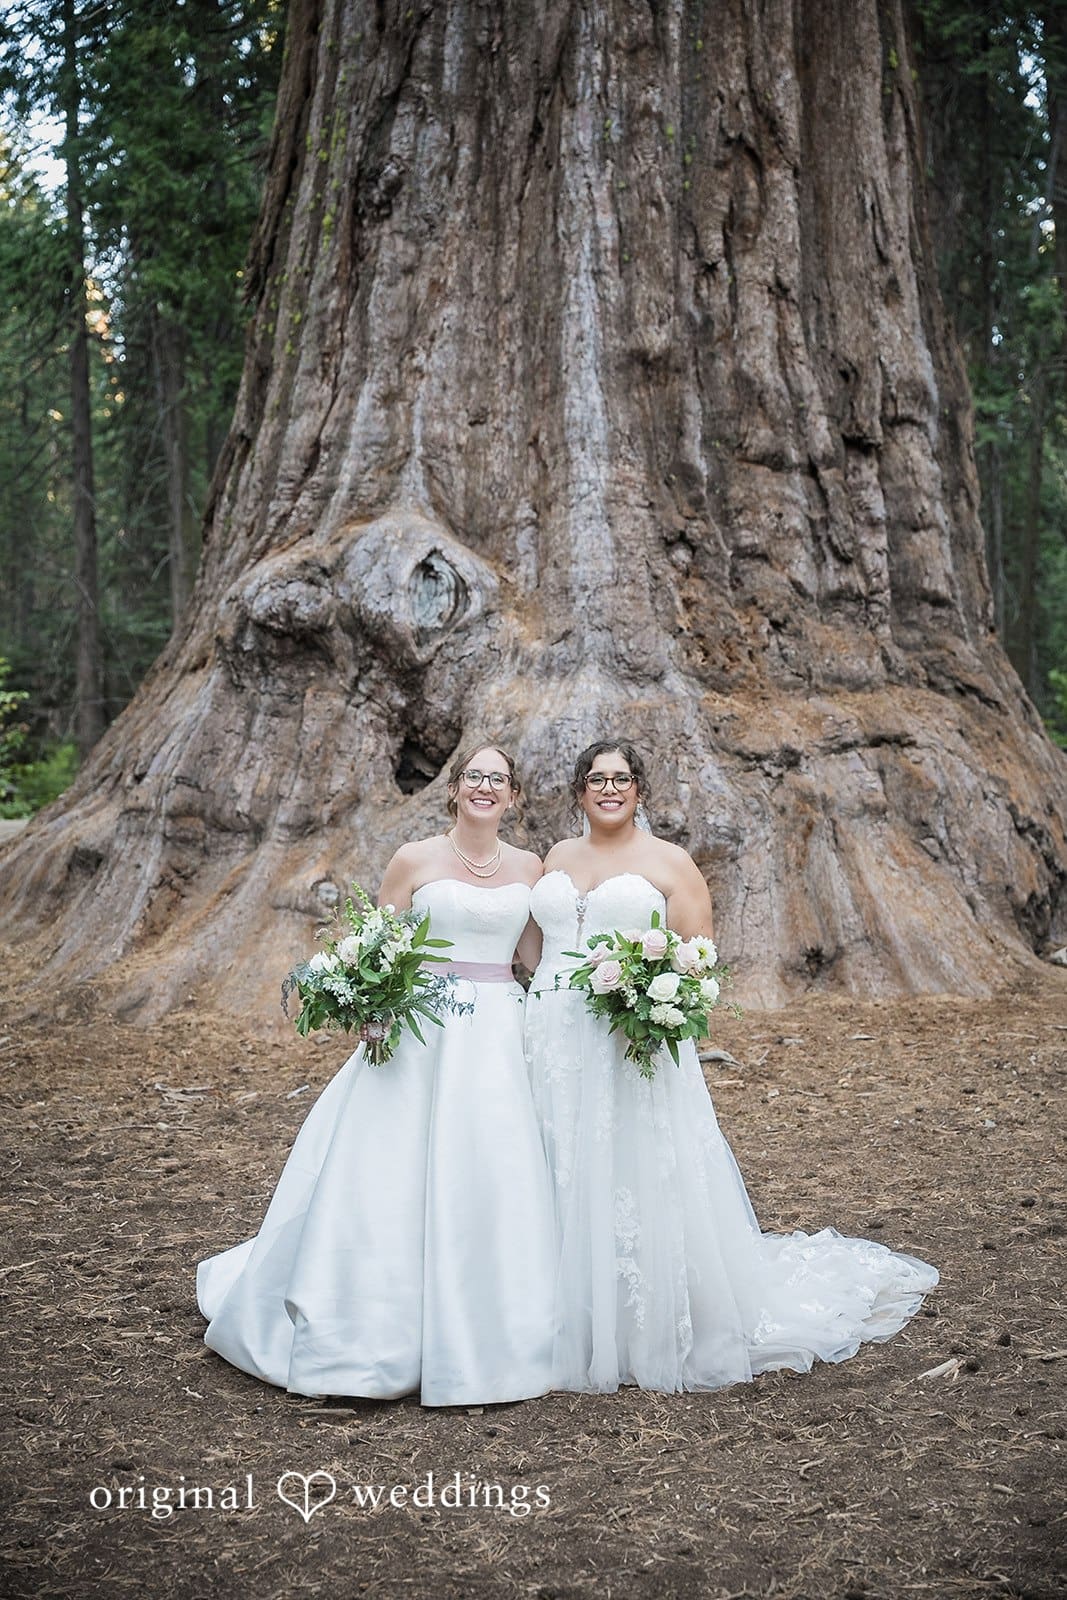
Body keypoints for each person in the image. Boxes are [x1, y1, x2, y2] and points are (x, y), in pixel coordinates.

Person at [524, 738, 939, 1394]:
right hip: (551, 1036)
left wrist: (643, 998)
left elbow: (695, 961)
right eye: (596, 779)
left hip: (627, 1036)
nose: (609, 788)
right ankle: (561, 1307)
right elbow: (535, 945)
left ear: (639, 790)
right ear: (579, 791)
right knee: (558, 1158)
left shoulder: (669, 862)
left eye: (622, 778)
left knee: (630, 1160)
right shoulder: (555, 858)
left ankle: (642, 1321)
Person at [196, 742, 557, 1406]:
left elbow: (534, 957)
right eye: (473, 776)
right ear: (453, 790)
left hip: (499, 1038)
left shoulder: (531, 867)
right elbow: (377, 948)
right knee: (390, 1171)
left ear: (512, 798)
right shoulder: (414, 859)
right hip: (421, 1031)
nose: (484, 786)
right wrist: (371, 1005)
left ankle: (486, 1331)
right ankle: (364, 1334)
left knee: (489, 1168)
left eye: (497, 780)